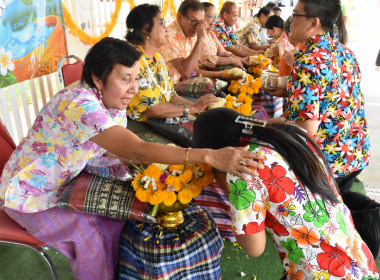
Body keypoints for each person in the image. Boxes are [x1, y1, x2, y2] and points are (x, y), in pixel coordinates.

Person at [0, 38, 265, 280]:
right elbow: (135, 149)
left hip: (68, 177)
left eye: (137, 79)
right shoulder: (80, 104)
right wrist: (208, 155)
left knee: (117, 220)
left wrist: (161, 165)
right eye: (126, 79)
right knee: (90, 235)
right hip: (30, 191)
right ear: (98, 79)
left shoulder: (110, 101)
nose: (134, 89)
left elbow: (115, 150)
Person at [193, 107, 379, 279]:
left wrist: (227, 186)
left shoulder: (245, 167)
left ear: (217, 153)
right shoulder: (294, 134)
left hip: (319, 273)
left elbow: (254, 248)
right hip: (357, 259)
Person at [284, 0, 370, 196]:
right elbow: (332, 101)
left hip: (327, 161)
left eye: (295, 15)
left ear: (314, 23)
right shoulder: (345, 52)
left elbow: (306, 129)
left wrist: (278, 126)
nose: (290, 21)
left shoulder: (307, 61)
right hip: (354, 153)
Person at [125, 4, 218, 122]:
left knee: (209, 120)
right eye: (161, 23)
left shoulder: (157, 58)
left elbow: (171, 96)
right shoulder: (134, 62)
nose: (166, 28)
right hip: (145, 123)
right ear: (145, 29)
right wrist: (193, 108)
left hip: (162, 117)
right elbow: (152, 109)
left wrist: (200, 109)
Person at [159, 0, 235, 84]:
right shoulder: (169, 35)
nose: (197, 27)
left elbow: (194, 71)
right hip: (169, 88)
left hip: (183, 82)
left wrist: (220, 74)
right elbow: (186, 73)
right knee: (213, 89)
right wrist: (200, 39)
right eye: (193, 21)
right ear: (179, 17)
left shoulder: (191, 33)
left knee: (220, 85)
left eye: (200, 22)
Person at [198, 2, 249, 71]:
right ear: (200, 16)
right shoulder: (199, 34)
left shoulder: (210, 33)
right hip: (205, 70)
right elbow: (209, 59)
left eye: (215, 17)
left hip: (214, 67)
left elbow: (222, 51)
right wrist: (233, 60)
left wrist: (241, 59)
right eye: (211, 16)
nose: (214, 20)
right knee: (239, 69)